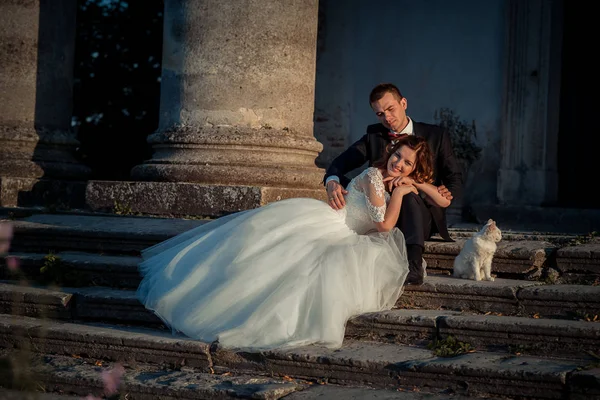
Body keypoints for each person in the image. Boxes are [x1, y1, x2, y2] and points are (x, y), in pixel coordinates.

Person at [136, 135, 445, 352]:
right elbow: (384, 225)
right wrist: (404, 193)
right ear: (390, 151)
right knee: (301, 265)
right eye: (397, 156)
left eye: (407, 163)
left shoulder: (396, 180)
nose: (399, 164)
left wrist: (417, 183)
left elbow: (442, 203)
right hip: (338, 226)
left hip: (352, 232)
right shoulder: (376, 177)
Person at [324, 83, 463, 285]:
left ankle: (414, 265)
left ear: (403, 103)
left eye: (390, 109)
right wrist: (334, 182)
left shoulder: (437, 135)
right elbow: (339, 163)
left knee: (407, 194)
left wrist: (443, 191)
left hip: (420, 212)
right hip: (382, 214)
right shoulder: (374, 136)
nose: (387, 118)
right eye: (380, 114)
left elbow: (454, 178)